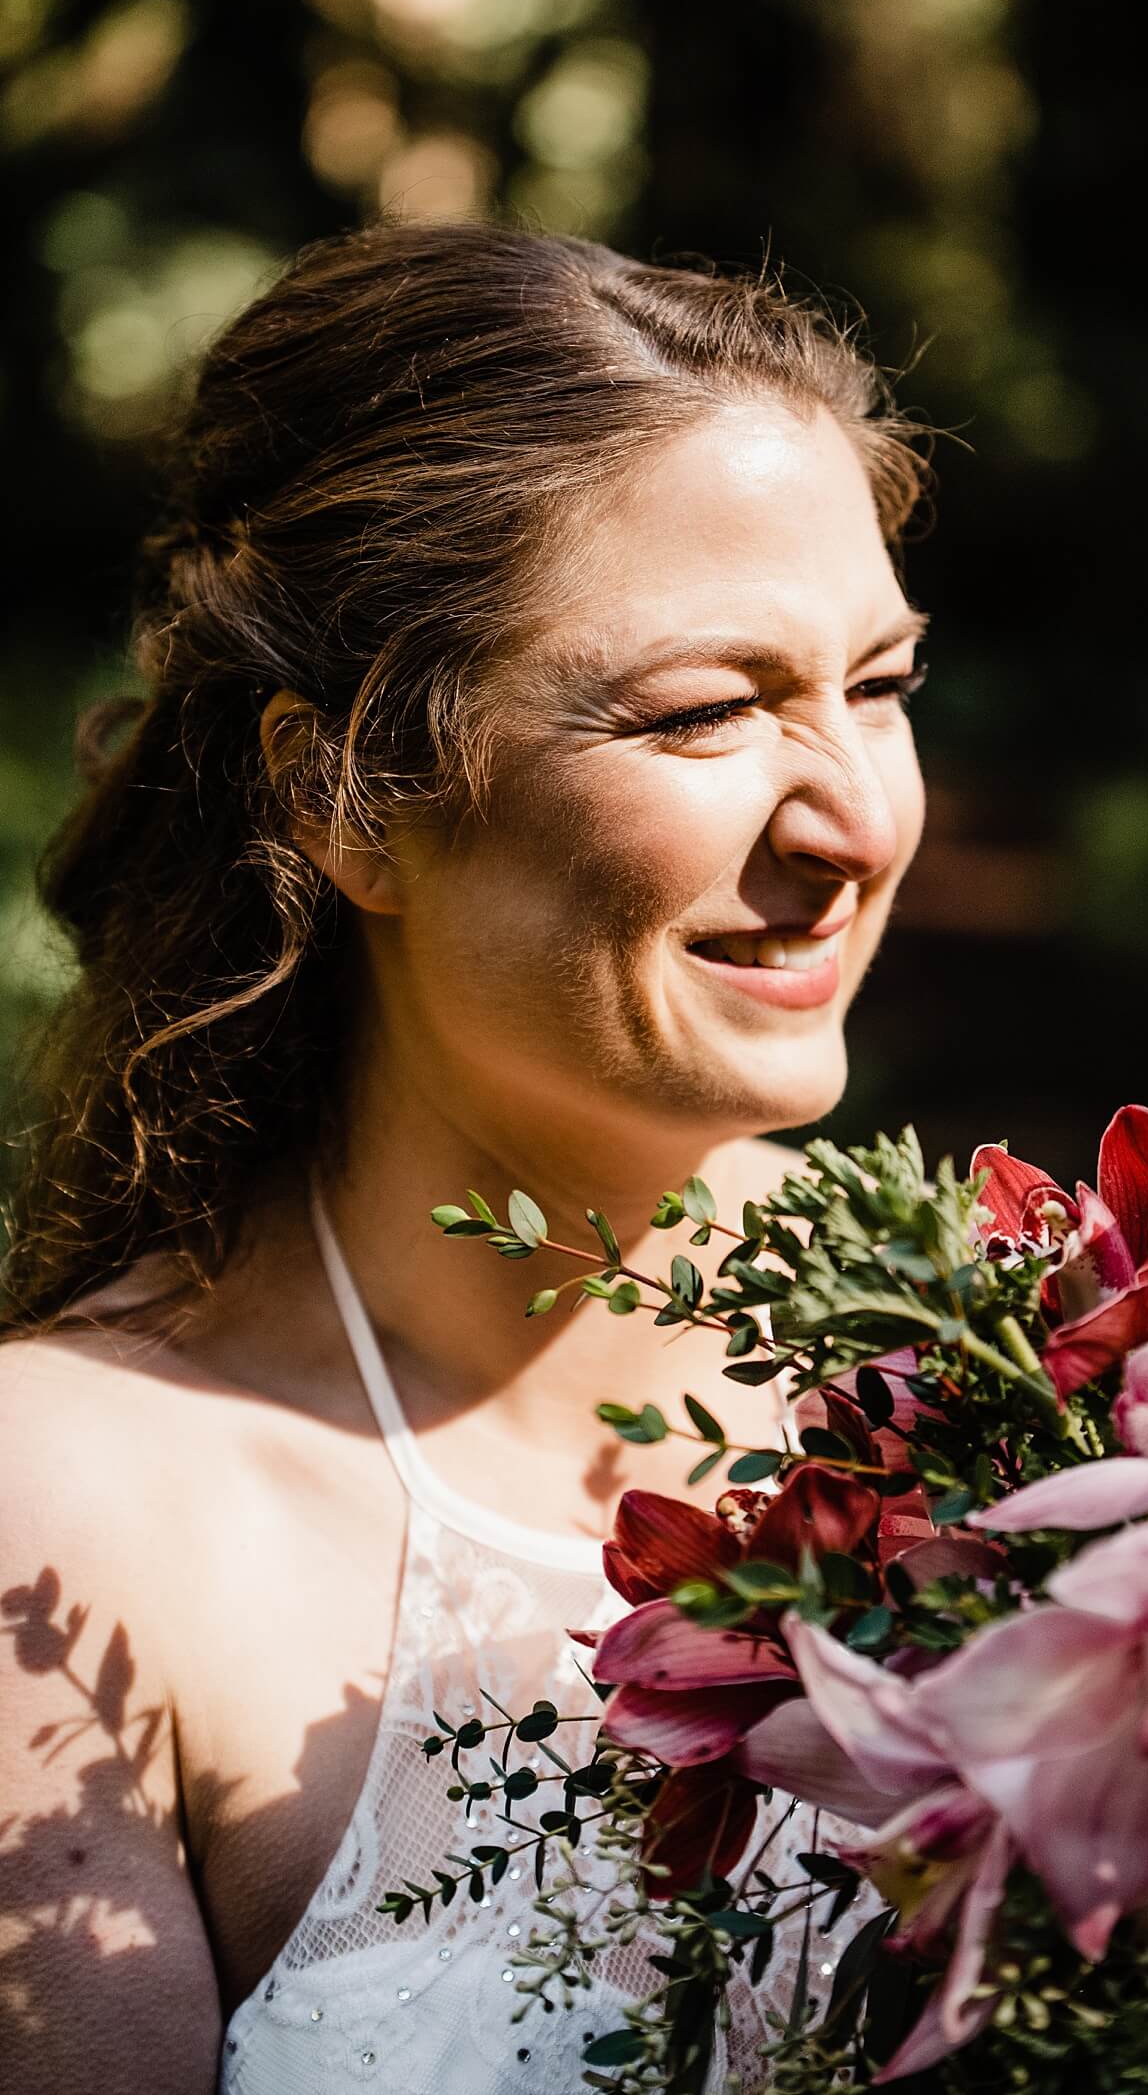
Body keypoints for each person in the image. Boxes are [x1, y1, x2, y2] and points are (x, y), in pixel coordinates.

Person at [0, 221, 931, 2092]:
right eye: (704, 711)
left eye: (883, 683)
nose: (856, 816)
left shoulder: (1019, 1368)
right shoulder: (69, 1524)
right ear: (341, 796)